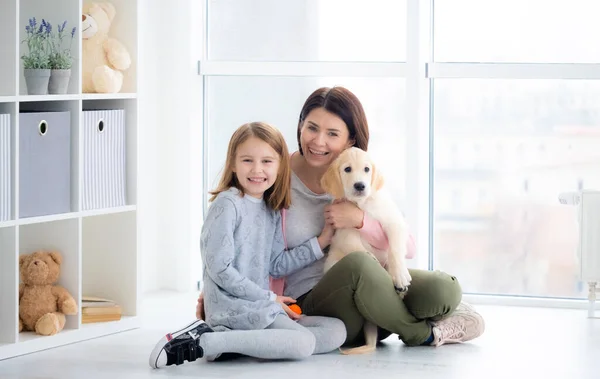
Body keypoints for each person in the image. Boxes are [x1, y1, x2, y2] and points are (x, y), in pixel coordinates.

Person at [197, 86, 485, 349]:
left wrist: (360, 220)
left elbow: (407, 246)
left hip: (374, 283)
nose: (318, 141)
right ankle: (422, 331)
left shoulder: (358, 176)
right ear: (300, 127)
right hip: (312, 300)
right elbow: (242, 238)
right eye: (311, 128)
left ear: (351, 140)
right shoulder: (275, 173)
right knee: (358, 264)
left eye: (332, 134)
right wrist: (216, 294)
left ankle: (408, 313)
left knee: (441, 289)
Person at [149, 122, 347, 369]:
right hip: (234, 310)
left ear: (280, 166)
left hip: (261, 306)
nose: (257, 170)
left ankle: (240, 345)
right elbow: (219, 269)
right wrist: (269, 298)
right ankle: (205, 343)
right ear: (232, 163)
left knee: (337, 330)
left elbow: (276, 264)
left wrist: (321, 242)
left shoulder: (271, 209)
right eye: (247, 161)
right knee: (303, 344)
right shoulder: (227, 204)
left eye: (267, 161)